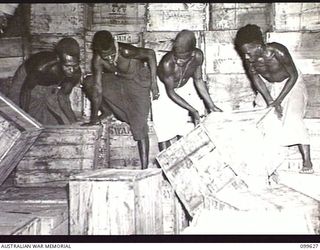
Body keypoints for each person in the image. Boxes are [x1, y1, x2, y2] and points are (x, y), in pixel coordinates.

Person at [235, 24, 313, 174]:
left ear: (258, 45)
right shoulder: (249, 60)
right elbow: (257, 81)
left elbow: (293, 75)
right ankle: (266, 161)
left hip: (291, 83)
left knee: (293, 117)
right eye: (244, 53)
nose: (246, 56)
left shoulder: (278, 51)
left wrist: (279, 101)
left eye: (248, 52)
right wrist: (271, 101)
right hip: (270, 86)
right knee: (261, 116)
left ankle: (307, 161)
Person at [82, 30, 159, 169]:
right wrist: (93, 119)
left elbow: (150, 54)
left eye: (112, 53)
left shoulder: (126, 51)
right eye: (105, 56)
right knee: (89, 82)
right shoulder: (98, 60)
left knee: (138, 125)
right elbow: (98, 89)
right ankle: (108, 111)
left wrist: (154, 83)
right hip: (120, 80)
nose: (110, 59)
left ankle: (144, 168)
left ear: (114, 45)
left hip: (138, 82)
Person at [155, 29, 222, 151]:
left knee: (185, 127)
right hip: (165, 89)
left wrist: (211, 105)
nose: (178, 61)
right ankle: (167, 164)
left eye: (182, 58)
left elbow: (198, 80)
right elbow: (171, 92)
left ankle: (184, 160)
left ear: (191, 54)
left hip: (184, 85)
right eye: (177, 57)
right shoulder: (167, 63)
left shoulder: (197, 56)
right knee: (164, 130)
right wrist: (193, 110)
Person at [12, 37, 81, 125]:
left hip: (48, 83)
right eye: (67, 66)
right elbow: (26, 90)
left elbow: (62, 97)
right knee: (16, 117)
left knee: (62, 122)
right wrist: (25, 119)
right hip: (26, 80)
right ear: (58, 60)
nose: (71, 70)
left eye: (75, 65)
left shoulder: (76, 73)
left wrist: (74, 123)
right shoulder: (41, 68)